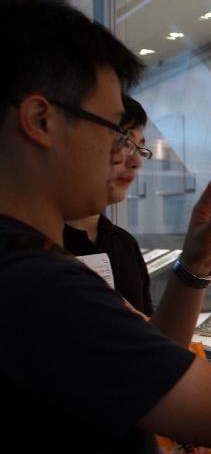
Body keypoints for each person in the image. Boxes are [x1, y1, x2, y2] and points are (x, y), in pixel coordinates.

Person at [0, 0, 211, 454]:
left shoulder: (30, 264)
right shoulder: (38, 286)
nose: (120, 153)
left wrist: (199, 258)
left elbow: (147, 363)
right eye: (110, 125)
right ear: (41, 120)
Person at [65, 94, 154, 315]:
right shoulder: (36, 246)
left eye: (139, 149)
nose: (135, 162)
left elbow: (153, 340)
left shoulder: (125, 243)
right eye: (123, 142)